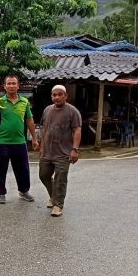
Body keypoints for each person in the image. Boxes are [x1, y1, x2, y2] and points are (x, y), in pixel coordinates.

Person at [0, 75, 39, 204]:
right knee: (1, 169)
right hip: (2, 142)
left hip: (20, 142)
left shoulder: (24, 102)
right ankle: (1, 193)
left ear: (18, 86)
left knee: (22, 168)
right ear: (5, 86)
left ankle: (24, 191)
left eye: (14, 83)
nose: (11, 86)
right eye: (9, 83)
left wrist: (34, 138)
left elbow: (29, 120)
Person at [38, 85, 81, 217]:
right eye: (54, 95)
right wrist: (42, 146)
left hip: (63, 153)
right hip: (47, 151)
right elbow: (44, 128)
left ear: (65, 96)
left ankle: (58, 205)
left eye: (59, 94)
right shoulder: (47, 110)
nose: (56, 97)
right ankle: (53, 196)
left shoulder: (72, 111)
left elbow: (77, 130)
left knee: (60, 179)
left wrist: (75, 149)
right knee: (43, 175)